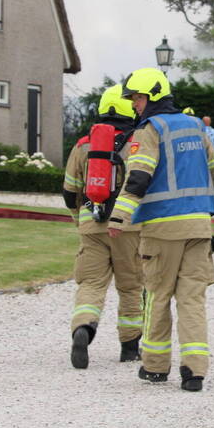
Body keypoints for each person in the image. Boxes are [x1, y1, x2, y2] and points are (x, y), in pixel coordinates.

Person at [107, 68, 214, 392]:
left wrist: (118, 218)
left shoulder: (150, 130)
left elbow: (138, 178)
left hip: (161, 229)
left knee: (158, 296)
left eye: (137, 98)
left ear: (153, 96)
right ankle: (194, 371)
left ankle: (155, 367)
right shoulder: (196, 125)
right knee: (192, 300)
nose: (133, 104)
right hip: (199, 226)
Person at [62, 84, 143, 369]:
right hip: (129, 227)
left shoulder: (84, 145)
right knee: (131, 287)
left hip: (91, 226)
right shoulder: (139, 143)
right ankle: (130, 348)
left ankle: (83, 328)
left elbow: (70, 191)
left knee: (91, 283)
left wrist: (79, 219)